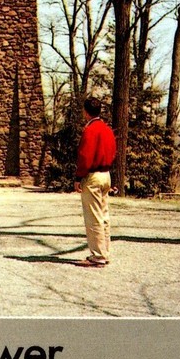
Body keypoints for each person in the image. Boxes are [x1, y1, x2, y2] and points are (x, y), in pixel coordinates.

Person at [74, 96, 117, 267]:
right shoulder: (107, 129)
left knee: (93, 217)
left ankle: (98, 255)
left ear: (85, 111)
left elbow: (85, 156)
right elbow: (113, 151)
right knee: (104, 216)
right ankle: (105, 251)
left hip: (93, 176)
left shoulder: (90, 130)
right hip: (106, 174)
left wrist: (78, 177)